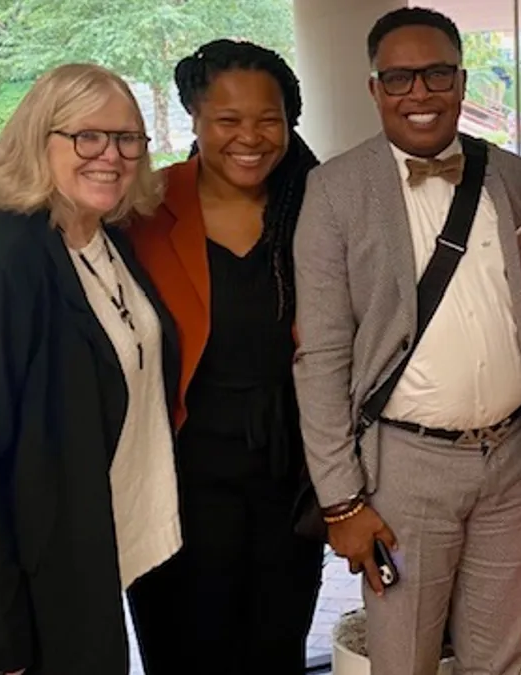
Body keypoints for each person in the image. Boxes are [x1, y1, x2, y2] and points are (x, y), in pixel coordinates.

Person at [0, 63, 180, 675]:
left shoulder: (101, 237)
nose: (112, 155)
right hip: (12, 597)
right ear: (37, 139)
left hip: (80, 557)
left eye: (128, 138)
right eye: (87, 137)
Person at [292, 7, 521, 675]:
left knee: (500, 655)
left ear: (461, 81)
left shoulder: (518, 180)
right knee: (403, 656)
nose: (420, 93)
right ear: (374, 89)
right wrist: (342, 499)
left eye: (436, 74)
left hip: (513, 458)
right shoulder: (334, 189)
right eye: (399, 78)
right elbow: (319, 357)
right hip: (403, 469)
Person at [124, 39, 323, 674]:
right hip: (176, 481)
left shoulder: (314, 202)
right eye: (227, 120)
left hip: (286, 483)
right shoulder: (143, 206)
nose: (250, 137)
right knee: (183, 654)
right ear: (194, 117)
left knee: (275, 652)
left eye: (268, 119)